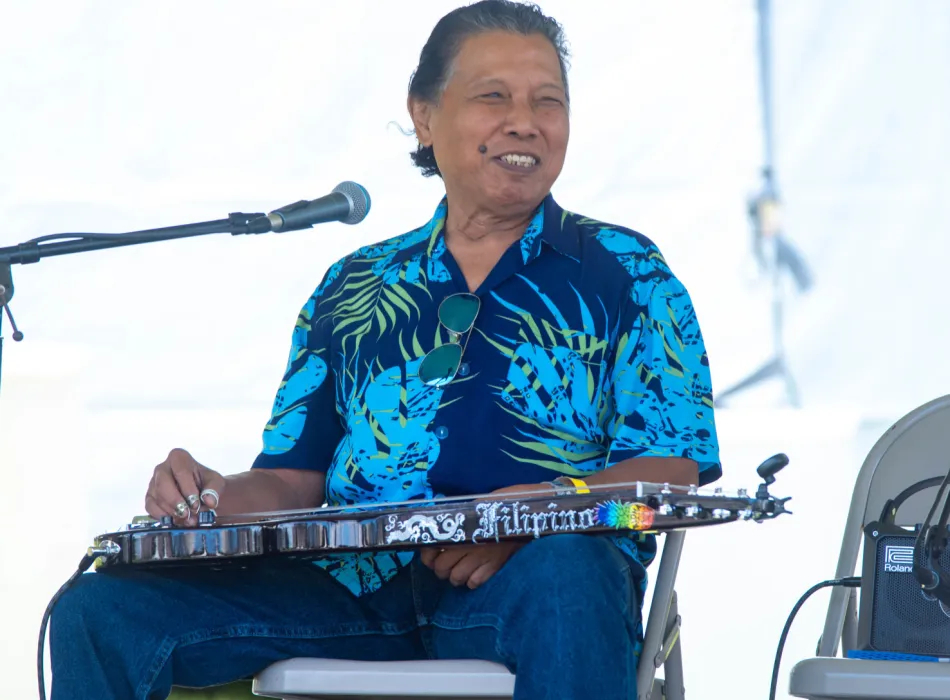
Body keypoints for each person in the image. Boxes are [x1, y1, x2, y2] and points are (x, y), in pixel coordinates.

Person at [49, 2, 721, 699]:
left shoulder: (626, 271)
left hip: (529, 585)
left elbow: (671, 472)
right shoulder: (355, 285)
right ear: (425, 116)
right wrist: (209, 496)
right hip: (349, 593)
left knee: (570, 571)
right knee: (101, 609)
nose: (525, 120)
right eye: (494, 95)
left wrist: (542, 512)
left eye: (548, 101)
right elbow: (290, 481)